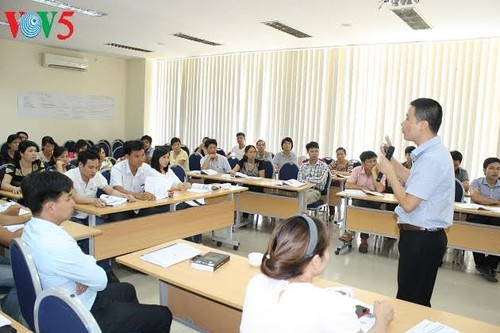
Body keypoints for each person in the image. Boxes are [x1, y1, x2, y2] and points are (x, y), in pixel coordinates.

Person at [20, 171, 172, 333]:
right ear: (50, 207)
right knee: (162, 315)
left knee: (126, 289)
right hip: (80, 313)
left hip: (62, 299)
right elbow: (100, 280)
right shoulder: (57, 242)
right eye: (69, 198)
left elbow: (84, 269)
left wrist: (84, 274)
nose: (73, 203)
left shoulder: (31, 228)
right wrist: (86, 273)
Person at [240, 215, 394, 333]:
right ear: (315, 261)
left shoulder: (256, 283)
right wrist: (382, 320)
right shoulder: (332, 305)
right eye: (326, 249)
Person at [378, 98, 454, 307]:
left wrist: (389, 173)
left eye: (407, 118)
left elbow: (409, 203)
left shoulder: (432, 158)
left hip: (422, 240)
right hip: (420, 238)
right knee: (412, 298)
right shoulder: (430, 153)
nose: (403, 123)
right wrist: (391, 159)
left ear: (423, 124)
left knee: (412, 302)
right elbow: (414, 180)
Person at [64, 150, 135, 283]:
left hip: (91, 214)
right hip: (72, 217)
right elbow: (74, 197)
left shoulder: (96, 176)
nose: (94, 171)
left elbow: (110, 190)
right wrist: (93, 201)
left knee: (102, 235)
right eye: (90, 167)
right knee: (87, 240)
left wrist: (125, 196)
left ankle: (105, 271)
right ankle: (93, 273)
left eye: (96, 167)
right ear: (80, 165)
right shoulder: (68, 176)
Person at [109, 140, 169, 221]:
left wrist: (168, 190)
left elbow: (161, 179)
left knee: (158, 212)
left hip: (139, 206)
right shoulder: (117, 169)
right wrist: (139, 195)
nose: (141, 159)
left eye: (143, 155)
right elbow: (118, 189)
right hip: (121, 207)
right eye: (136, 156)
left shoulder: (144, 167)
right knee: (118, 218)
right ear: (127, 157)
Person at [339, 151, 386, 253]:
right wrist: (362, 188)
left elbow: (380, 189)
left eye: (375, 161)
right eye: (370, 161)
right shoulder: (357, 170)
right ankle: (363, 241)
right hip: (360, 200)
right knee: (360, 206)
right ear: (363, 163)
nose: (373, 163)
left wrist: (374, 173)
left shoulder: (380, 172)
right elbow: (348, 185)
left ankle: (350, 232)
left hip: (376, 203)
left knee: (361, 208)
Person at [467, 157, 500, 282]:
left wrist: (486, 201)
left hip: (496, 217)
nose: (495, 171)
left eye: (498, 169)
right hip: (478, 215)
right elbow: (476, 198)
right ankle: (482, 263)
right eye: (491, 168)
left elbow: (482, 199)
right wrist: (496, 202)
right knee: (475, 228)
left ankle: (487, 264)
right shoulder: (477, 182)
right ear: (484, 170)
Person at [297, 142, 329, 209]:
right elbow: (299, 180)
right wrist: (313, 179)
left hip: (315, 191)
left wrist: (306, 179)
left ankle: (302, 218)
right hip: (302, 189)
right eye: (312, 151)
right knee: (291, 199)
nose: (314, 153)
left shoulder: (323, 166)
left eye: (316, 151)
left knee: (302, 199)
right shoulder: (303, 165)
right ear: (308, 152)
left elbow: (321, 181)